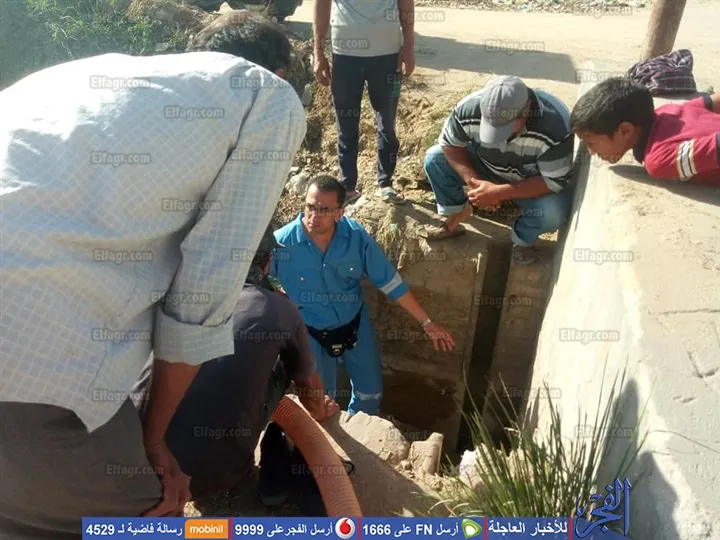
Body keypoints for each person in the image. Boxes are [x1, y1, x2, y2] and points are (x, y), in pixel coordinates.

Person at [0, 18, 306, 538]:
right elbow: (202, 294)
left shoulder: (73, 78)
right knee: (149, 512)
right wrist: (152, 442)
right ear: (279, 72)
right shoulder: (268, 98)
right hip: (35, 371)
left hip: (33, 352)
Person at [131, 226, 339, 505]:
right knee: (281, 360)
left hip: (134, 457)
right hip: (209, 478)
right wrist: (320, 409)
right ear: (267, 262)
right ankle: (237, 462)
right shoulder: (278, 308)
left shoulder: (178, 288)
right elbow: (309, 389)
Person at [270, 175, 456, 415]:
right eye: (310, 207)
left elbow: (389, 281)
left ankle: (362, 425)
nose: (314, 216)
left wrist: (426, 322)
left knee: (370, 391)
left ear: (339, 212)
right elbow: (251, 279)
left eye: (324, 210)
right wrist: (278, 300)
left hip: (356, 329)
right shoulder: (282, 244)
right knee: (320, 400)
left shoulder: (355, 237)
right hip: (311, 336)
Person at [421, 75, 575, 264]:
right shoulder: (469, 108)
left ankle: (522, 240)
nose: (499, 136)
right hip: (486, 167)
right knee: (435, 158)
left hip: (528, 183)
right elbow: (449, 143)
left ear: (526, 110)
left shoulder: (556, 125)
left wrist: (498, 193)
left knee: (553, 212)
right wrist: (476, 184)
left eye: (505, 127)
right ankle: (458, 213)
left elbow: (553, 181)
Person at [312, 0, 416, 206]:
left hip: (388, 56)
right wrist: (318, 53)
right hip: (345, 55)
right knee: (346, 125)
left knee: (387, 123)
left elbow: (406, 5)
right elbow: (322, 4)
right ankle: (347, 187)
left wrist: (409, 47)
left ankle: (385, 184)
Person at [571, 77, 720, 185]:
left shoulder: (659, 159)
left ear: (625, 131)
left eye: (591, 143)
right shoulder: (667, 111)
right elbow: (713, 101)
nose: (591, 151)